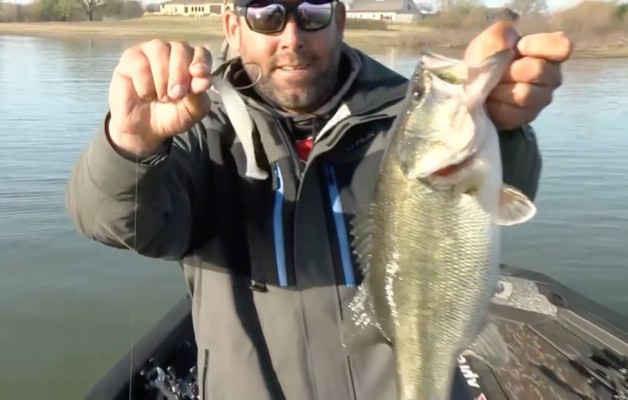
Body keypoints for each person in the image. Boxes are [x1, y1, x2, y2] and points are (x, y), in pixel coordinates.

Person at [65, 0, 572, 397]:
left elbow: (506, 192)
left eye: (312, 12)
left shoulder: (404, 118)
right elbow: (107, 219)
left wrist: (503, 128)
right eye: (267, 14)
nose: (292, 36)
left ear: (339, 20)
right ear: (232, 27)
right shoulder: (196, 131)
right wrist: (129, 145)